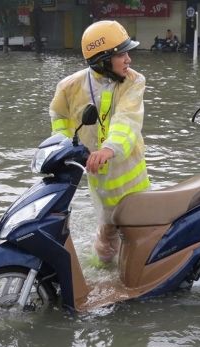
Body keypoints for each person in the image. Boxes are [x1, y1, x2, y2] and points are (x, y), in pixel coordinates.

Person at [49, 20, 150, 263]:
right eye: (121, 54)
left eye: (128, 53)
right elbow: (59, 115)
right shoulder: (69, 86)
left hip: (130, 174)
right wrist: (64, 146)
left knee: (140, 233)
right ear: (102, 59)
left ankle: (142, 277)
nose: (129, 60)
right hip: (97, 174)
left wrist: (109, 148)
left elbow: (127, 119)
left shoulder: (134, 81)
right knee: (106, 238)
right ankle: (104, 276)